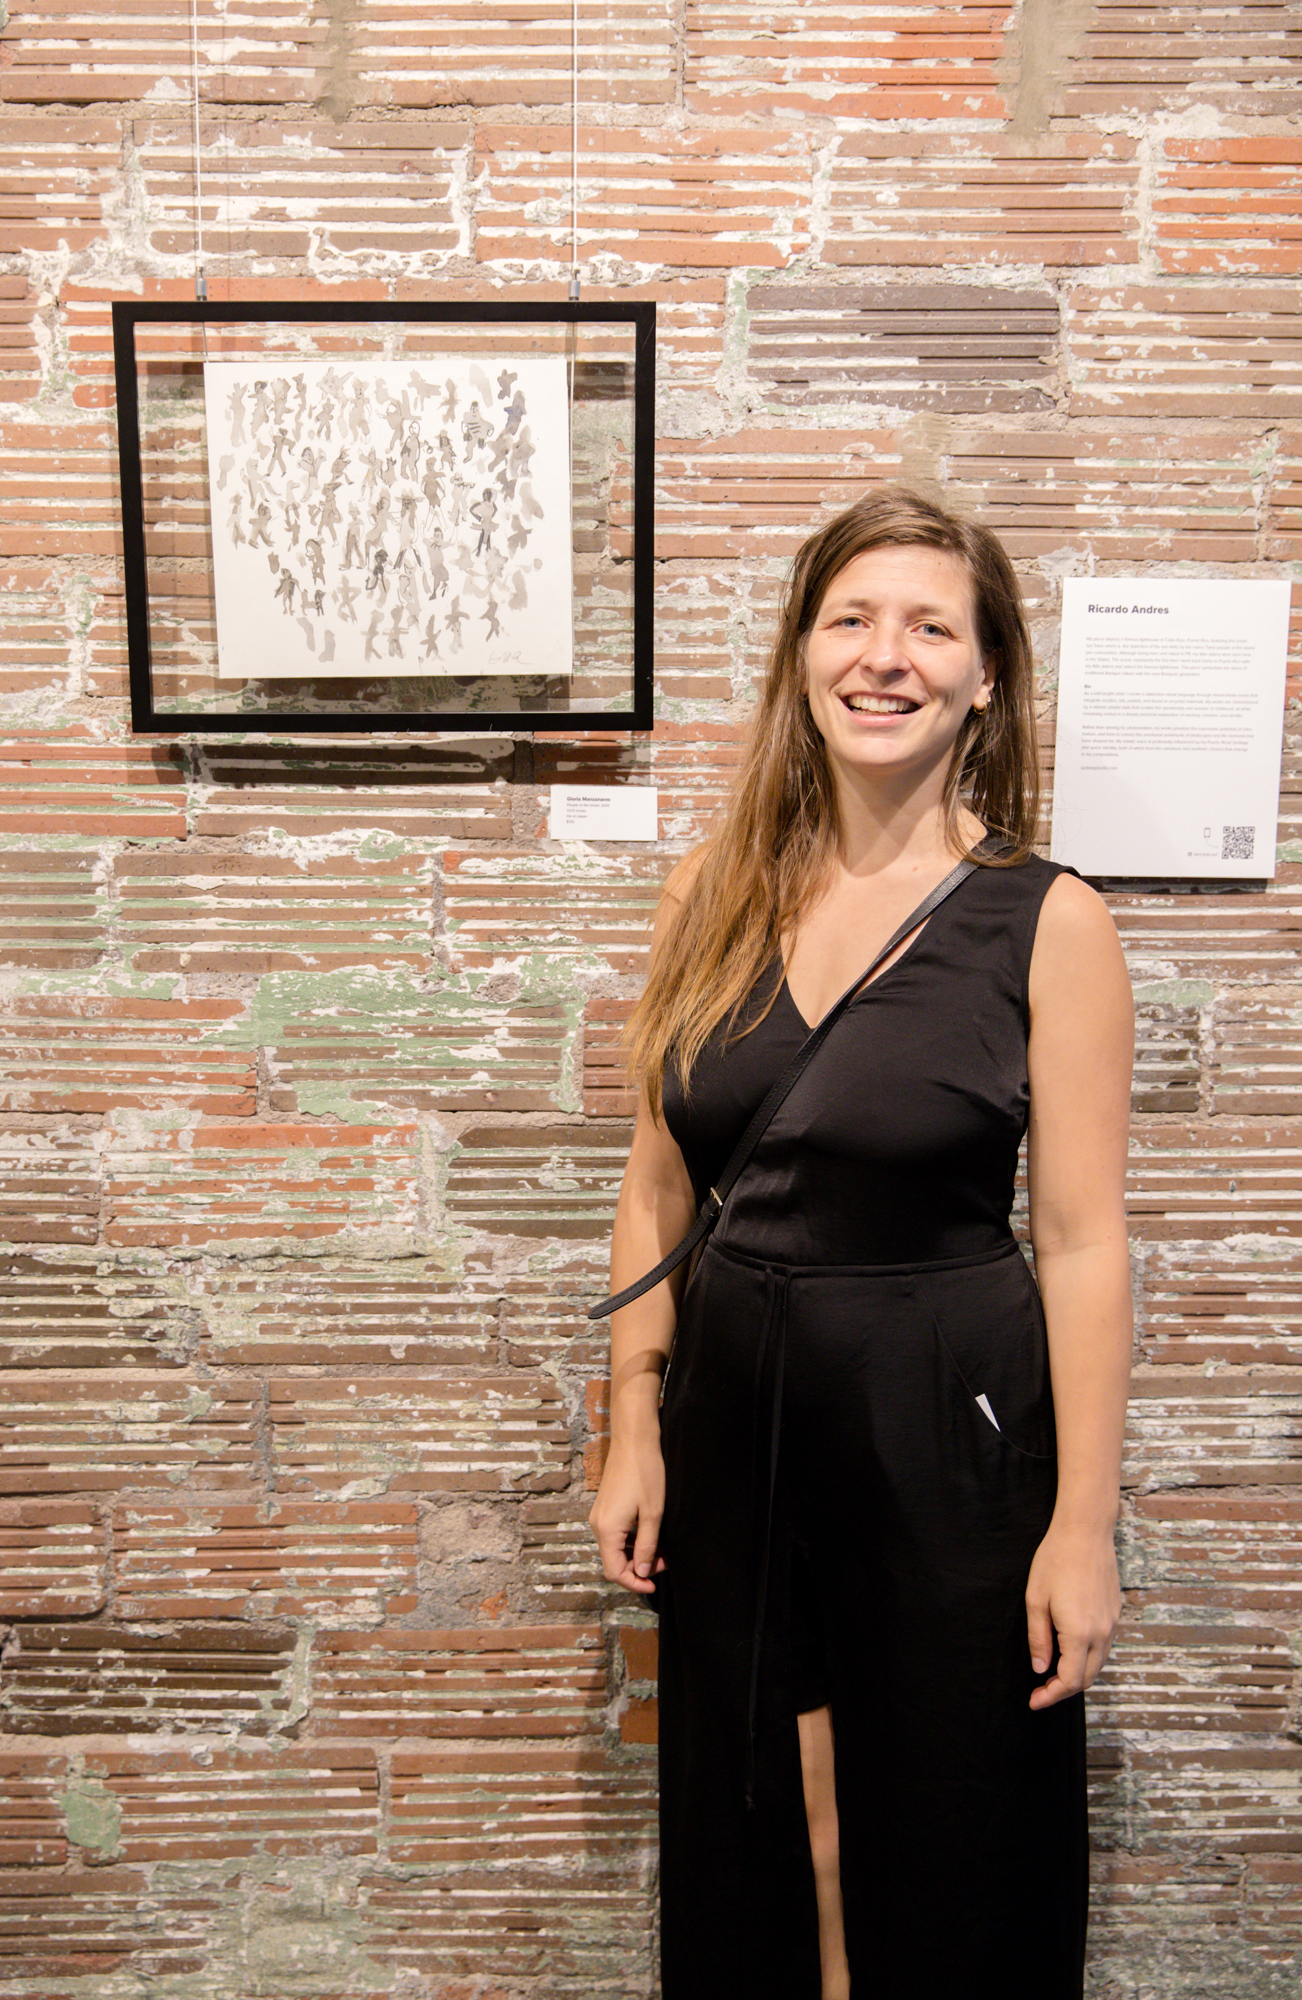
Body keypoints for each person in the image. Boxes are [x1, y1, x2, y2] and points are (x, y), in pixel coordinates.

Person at [589, 487, 1133, 1999]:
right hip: (735, 1430)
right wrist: (630, 1423)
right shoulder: (709, 895)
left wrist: (1083, 1526)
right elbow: (656, 1186)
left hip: (946, 1430)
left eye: (930, 628)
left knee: (949, 1817)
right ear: (802, 654)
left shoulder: (1046, 921)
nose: (885, 656)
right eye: (851, 619)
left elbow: (1083, 1241)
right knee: (763, 1814)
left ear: (986, 677)